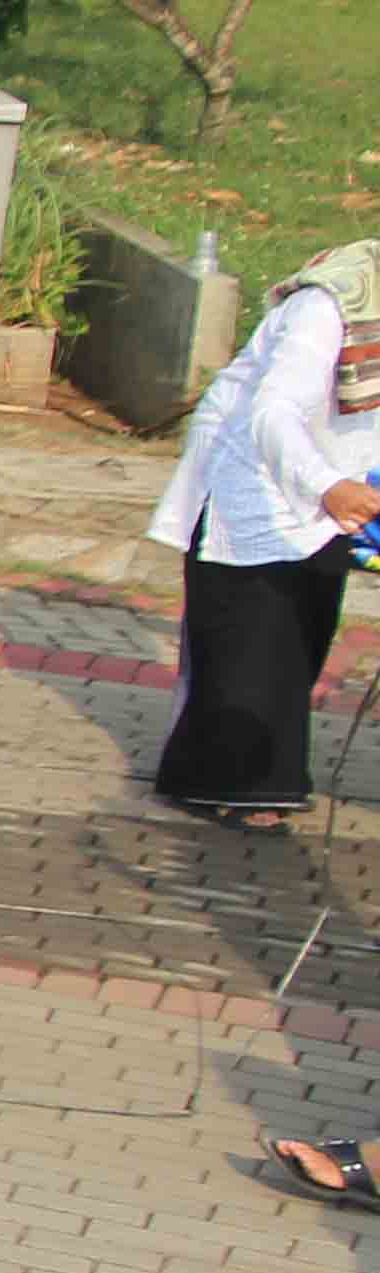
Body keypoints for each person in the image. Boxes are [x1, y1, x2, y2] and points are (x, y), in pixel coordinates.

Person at [148, 237, 380, 832]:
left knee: (303, 629)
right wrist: (325, 485)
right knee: (250, 635)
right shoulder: (328, 306)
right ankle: (227, 784)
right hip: (252, 473)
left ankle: (258, 779)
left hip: (338, 479)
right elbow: (273, 411)